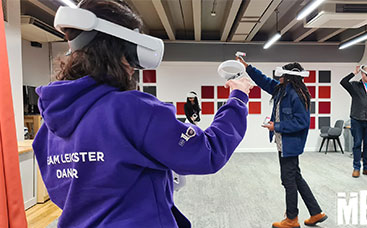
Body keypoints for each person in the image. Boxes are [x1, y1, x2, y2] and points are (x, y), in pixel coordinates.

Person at [32, 0, 252, 227]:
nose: (132, 68)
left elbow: (78, 192)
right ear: (120, 49)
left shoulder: (47, 127)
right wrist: (238, 98)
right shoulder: (133, 110)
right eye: (131, 55)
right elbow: (208, 153)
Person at [237, 57, 327, 228]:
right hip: (283, 143)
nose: (278, 78)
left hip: (290, 145)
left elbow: (302, 122)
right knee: (296, 177)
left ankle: (292, 219)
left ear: (289, 77)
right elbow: (264, 81)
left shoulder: (297, 95)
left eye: (281, 75)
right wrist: (247, 67)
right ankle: (316, 213)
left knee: (288, 180)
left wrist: (276, 126)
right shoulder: (282, 90)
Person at [340, 65, 367, 178]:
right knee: (357, 144)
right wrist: (354, 72)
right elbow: (343, 82)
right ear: (362, 74)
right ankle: (356, 168)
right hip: (357, 119)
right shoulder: (355, 85)